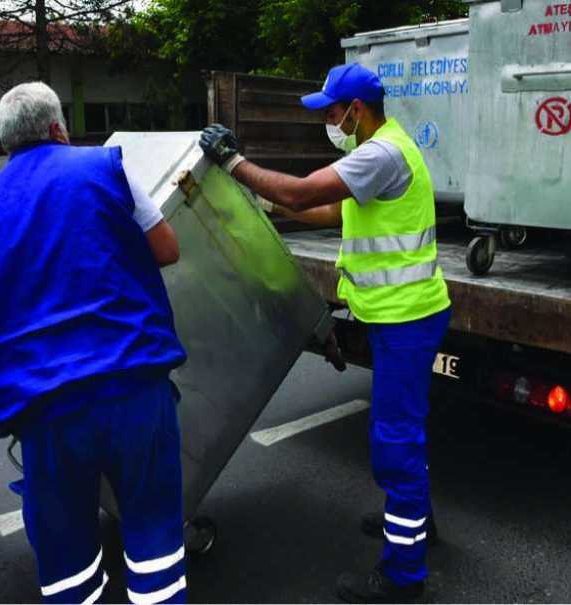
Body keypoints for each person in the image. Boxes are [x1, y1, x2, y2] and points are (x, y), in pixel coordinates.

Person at [199, 63, 451, 603]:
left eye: (333, 112)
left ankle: (404, 574)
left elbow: (301, 194)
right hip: (403, 315)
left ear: (356, 110)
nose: (329, 120)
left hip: (405, 319)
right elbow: (333, 209)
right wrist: (262, 201)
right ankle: (415, 521)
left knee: (393, 440)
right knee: (406, 426)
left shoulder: (379, 153)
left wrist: (234, 163)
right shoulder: (387, 148)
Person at [0, 81, 188, 604]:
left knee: (67, 568)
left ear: (4, 143)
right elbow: (167, 250)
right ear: (58, 127)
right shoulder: (106, 168)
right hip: (133, 389)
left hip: (46, 411)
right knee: (154, 545)